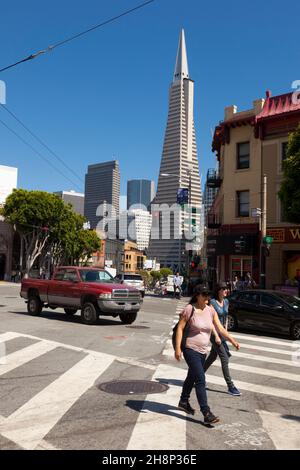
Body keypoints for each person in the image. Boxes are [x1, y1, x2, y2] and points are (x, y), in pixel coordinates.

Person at [175, 284, 240, 424]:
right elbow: (180, 328)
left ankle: (183, 401)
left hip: (203, 351)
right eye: (204, 295)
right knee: (200, 379)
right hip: (190, 349)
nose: (207, 298)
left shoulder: (210, 310)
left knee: (192, 376)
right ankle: (206, 412)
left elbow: (220, 328)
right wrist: (177, 349)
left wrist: (233, 341)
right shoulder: (190, 309)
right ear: (198, 296)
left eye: (208, 295)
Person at [204, 282, 241, 396]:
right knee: (224, 358)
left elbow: (225, 317)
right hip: (214, 333)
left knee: (212, 356)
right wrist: (216, 336)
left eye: (227, 289)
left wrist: (225, 332)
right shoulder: (212, 303)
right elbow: (210, 322)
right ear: (219, 290)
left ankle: (198, 375)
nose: (226, 291)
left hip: (222, 333)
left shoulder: (226, 301)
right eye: (224, 289)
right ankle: (230, 386)